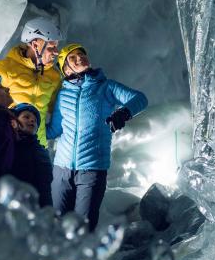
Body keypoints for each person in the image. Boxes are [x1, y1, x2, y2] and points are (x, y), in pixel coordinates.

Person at [47, 43, 148, 231]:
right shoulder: (62, 95)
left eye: (82, 54)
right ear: (65, 68)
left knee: (82, 228)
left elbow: (141, 99)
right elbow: (53, 130)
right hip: (61, 170)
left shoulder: (106, 87)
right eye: (73, 57)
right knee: (56, 224)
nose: (80, 58)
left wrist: (123, 113)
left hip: (92, 170)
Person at [0, 14, 63, 148]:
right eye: (51, 47)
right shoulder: (4, 69)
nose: (56, 52)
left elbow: (57, 109)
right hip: (9, 144)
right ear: (35, 45)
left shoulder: (54, 76)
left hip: (38, 146)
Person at [10, 103, 53, 207]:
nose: (32, 120)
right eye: (26, 117)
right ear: (14, 121)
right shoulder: (9, 145)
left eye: (35, 120)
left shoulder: (41, 150)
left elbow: (45, 187)